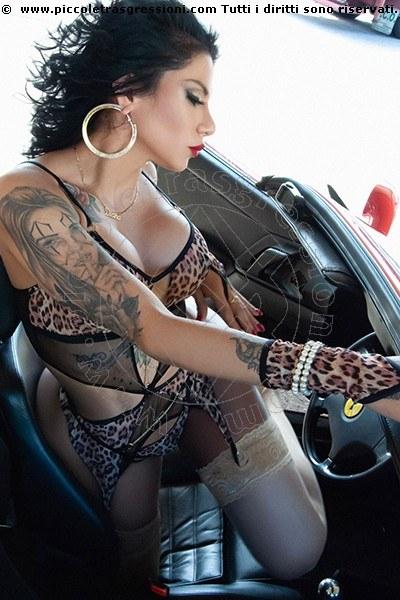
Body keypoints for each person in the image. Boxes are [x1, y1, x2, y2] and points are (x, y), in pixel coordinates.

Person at [0, 0, 399, 596]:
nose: (209, 124)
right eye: (194, 98)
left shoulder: (141, 169)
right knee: (132, 579)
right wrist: (358, 376)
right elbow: (153, 328)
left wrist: (214, 281)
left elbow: (170, 251)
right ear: (127, 94)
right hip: (115, 436)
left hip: (191, 379)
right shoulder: (25, 202)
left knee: (300, 548)